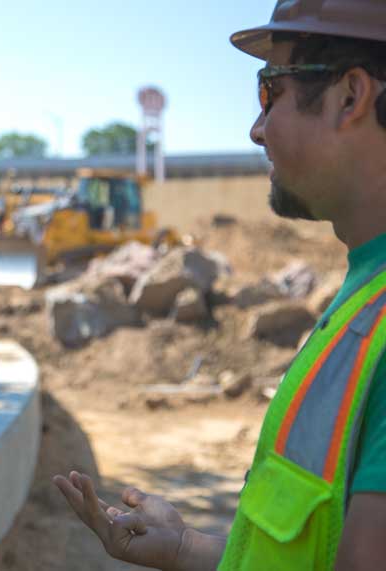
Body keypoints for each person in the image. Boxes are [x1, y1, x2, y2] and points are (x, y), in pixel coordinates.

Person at [54, 1, 386, 569]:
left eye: (269, 92)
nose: (255, 129)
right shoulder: (364, 292)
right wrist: (187, 548)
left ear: (350, 96)